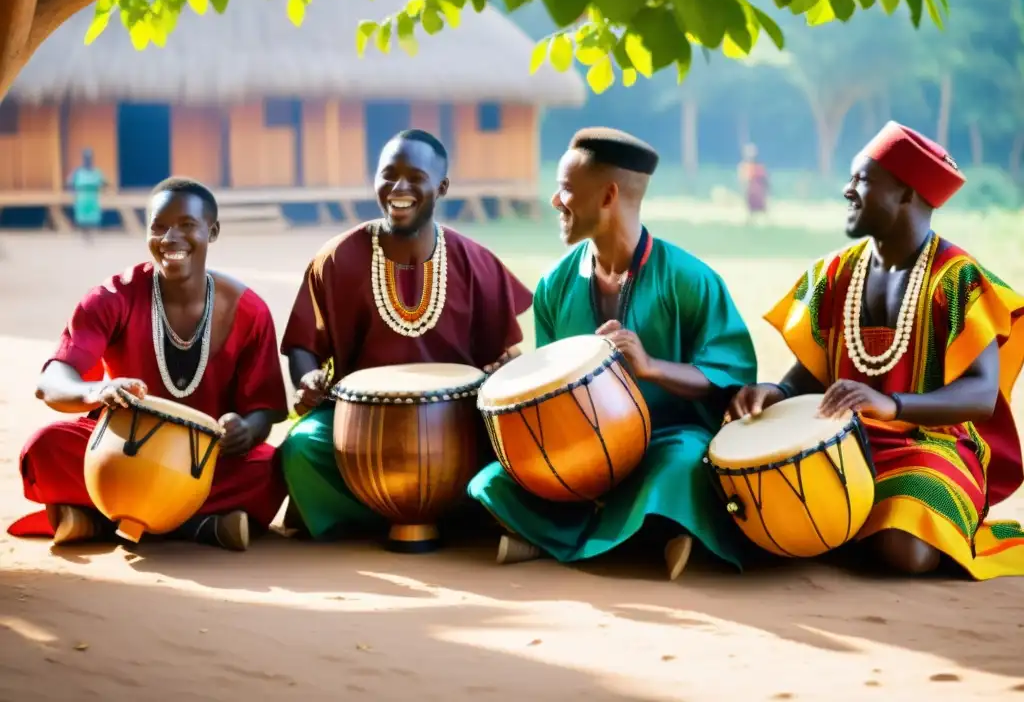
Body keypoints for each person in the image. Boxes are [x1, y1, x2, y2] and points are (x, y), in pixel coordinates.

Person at [727, 121, 1024, 580]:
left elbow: (982, 396)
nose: (847, 190)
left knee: (906, 550)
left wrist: (892, 405)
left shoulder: (957, 277)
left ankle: (843, 528)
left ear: (907, 194)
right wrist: (772, 393)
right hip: (844, 445)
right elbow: (805, 378)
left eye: (862, 179)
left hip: (932, 448)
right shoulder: (835, 272)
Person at [467, 128, 759, 580]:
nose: (555, 201)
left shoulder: (689, 278)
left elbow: (731, 373)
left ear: (608, 196)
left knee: (684, 466)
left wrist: (652, 368)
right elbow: (549, 388)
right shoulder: (554, 284)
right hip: (574, 453)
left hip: (664, 443)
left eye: (565, 189)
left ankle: (556, 536)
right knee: (489, 484)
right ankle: (649, 536)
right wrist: (512, 379)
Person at [7, 178, 289, 551]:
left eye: (187, 225)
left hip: (203, 462)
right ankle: (200, 525)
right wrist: (98, 390)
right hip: (121, 454)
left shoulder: (246, 309)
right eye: (158, 227)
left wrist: (247, 431)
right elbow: (53, 381)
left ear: (213, 231)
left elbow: (263, 410)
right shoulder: (113, 296)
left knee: (271, 468)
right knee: (45, 446)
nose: (170, 238)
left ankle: (100, 521)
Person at [278, 129, 533, 540]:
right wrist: (306, 379)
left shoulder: (476, 262)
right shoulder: (338, 258)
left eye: (415, 177)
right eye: (388, 175)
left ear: (442, 187)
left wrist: (505, 368)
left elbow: (507, 355)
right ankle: (409, 518)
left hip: (456, 431)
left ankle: (436, 510)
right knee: (302, 447)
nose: (399, 188)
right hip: (358, 428)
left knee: (519, 453)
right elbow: (303, 346)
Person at [67, 148, 108, 242]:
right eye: (86, 157)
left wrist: (104, 191)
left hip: (93, 196)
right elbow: (70, 183)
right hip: (82, 196)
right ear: (83, 159)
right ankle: (85, 234)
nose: (87, 159)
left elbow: (104, 183)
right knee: (82, 216)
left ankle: (90, 234)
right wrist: (73, 194)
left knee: (92, 216)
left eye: (89, 158)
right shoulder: (78, 172)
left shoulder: (96, 172)